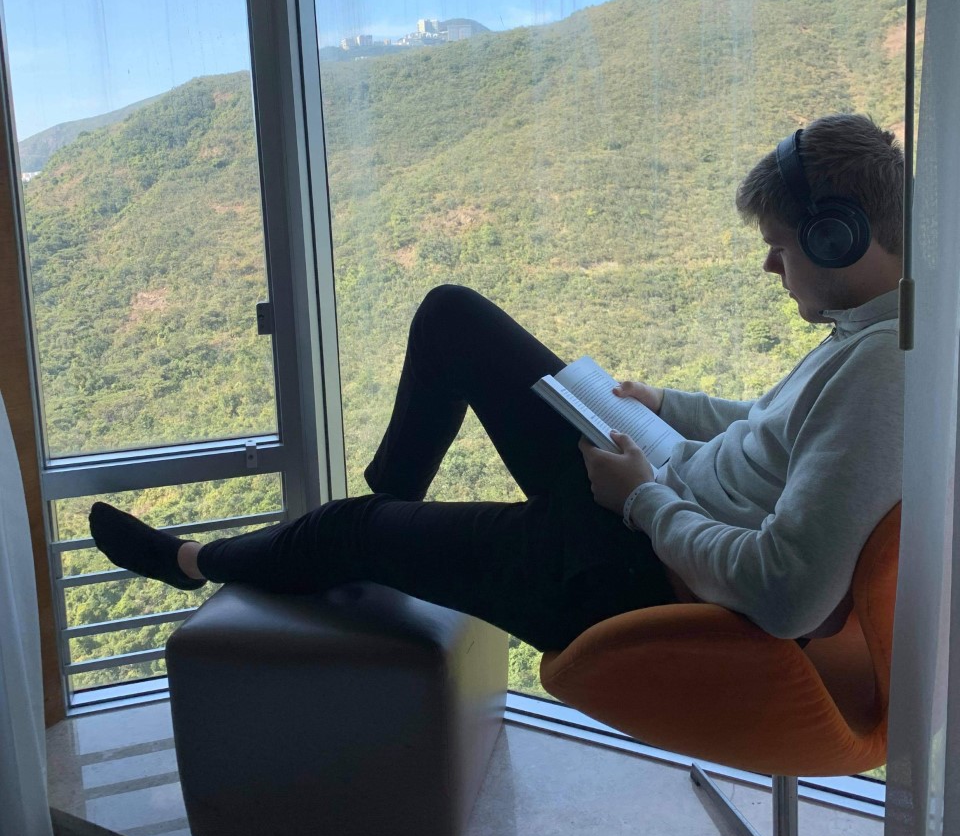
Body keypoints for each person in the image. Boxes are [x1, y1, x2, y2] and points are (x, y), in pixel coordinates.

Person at [90, 113, 905, 651]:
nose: (769, 263)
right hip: (657, 488)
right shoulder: (873, 333)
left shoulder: (883, 373)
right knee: (453, 316)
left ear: (839, 239)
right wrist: (666, 406)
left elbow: (789, 596)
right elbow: (777, 429)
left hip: (634, 572)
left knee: (352, 529)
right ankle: (385, 522)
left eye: (781, 245)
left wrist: (642, 500)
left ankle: (197, 561)